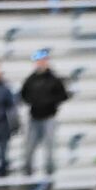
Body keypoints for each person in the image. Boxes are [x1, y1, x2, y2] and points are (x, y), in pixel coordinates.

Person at [19, 49, 70, 182]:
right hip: (34, 118)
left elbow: (63, 95)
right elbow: (23, 95)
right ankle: (28, 175)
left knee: (50, 149)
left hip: (49, 118)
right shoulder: (30, 79)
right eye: (38, 61)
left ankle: (49, 177)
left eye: (43, 60)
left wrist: (50, 101)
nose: (41, 63)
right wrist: (33, 101)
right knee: (29, 148)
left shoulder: (54, 79)